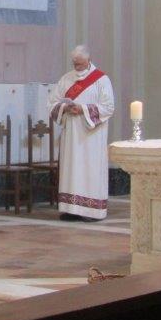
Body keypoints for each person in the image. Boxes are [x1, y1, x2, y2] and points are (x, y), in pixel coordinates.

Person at [48, 45, 114, 221]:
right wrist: (65, 107)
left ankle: (91, 211)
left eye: (80, 64)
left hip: (91, 135)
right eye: (75, 64)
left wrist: (83, 109)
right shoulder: (66, 79)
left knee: (89, 170)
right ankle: (71, 209)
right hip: (71, 135)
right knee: (71, 170)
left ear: (88, 60)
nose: (77, 67)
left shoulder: (101, 80)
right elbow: (52, 103)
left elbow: (108, 107)